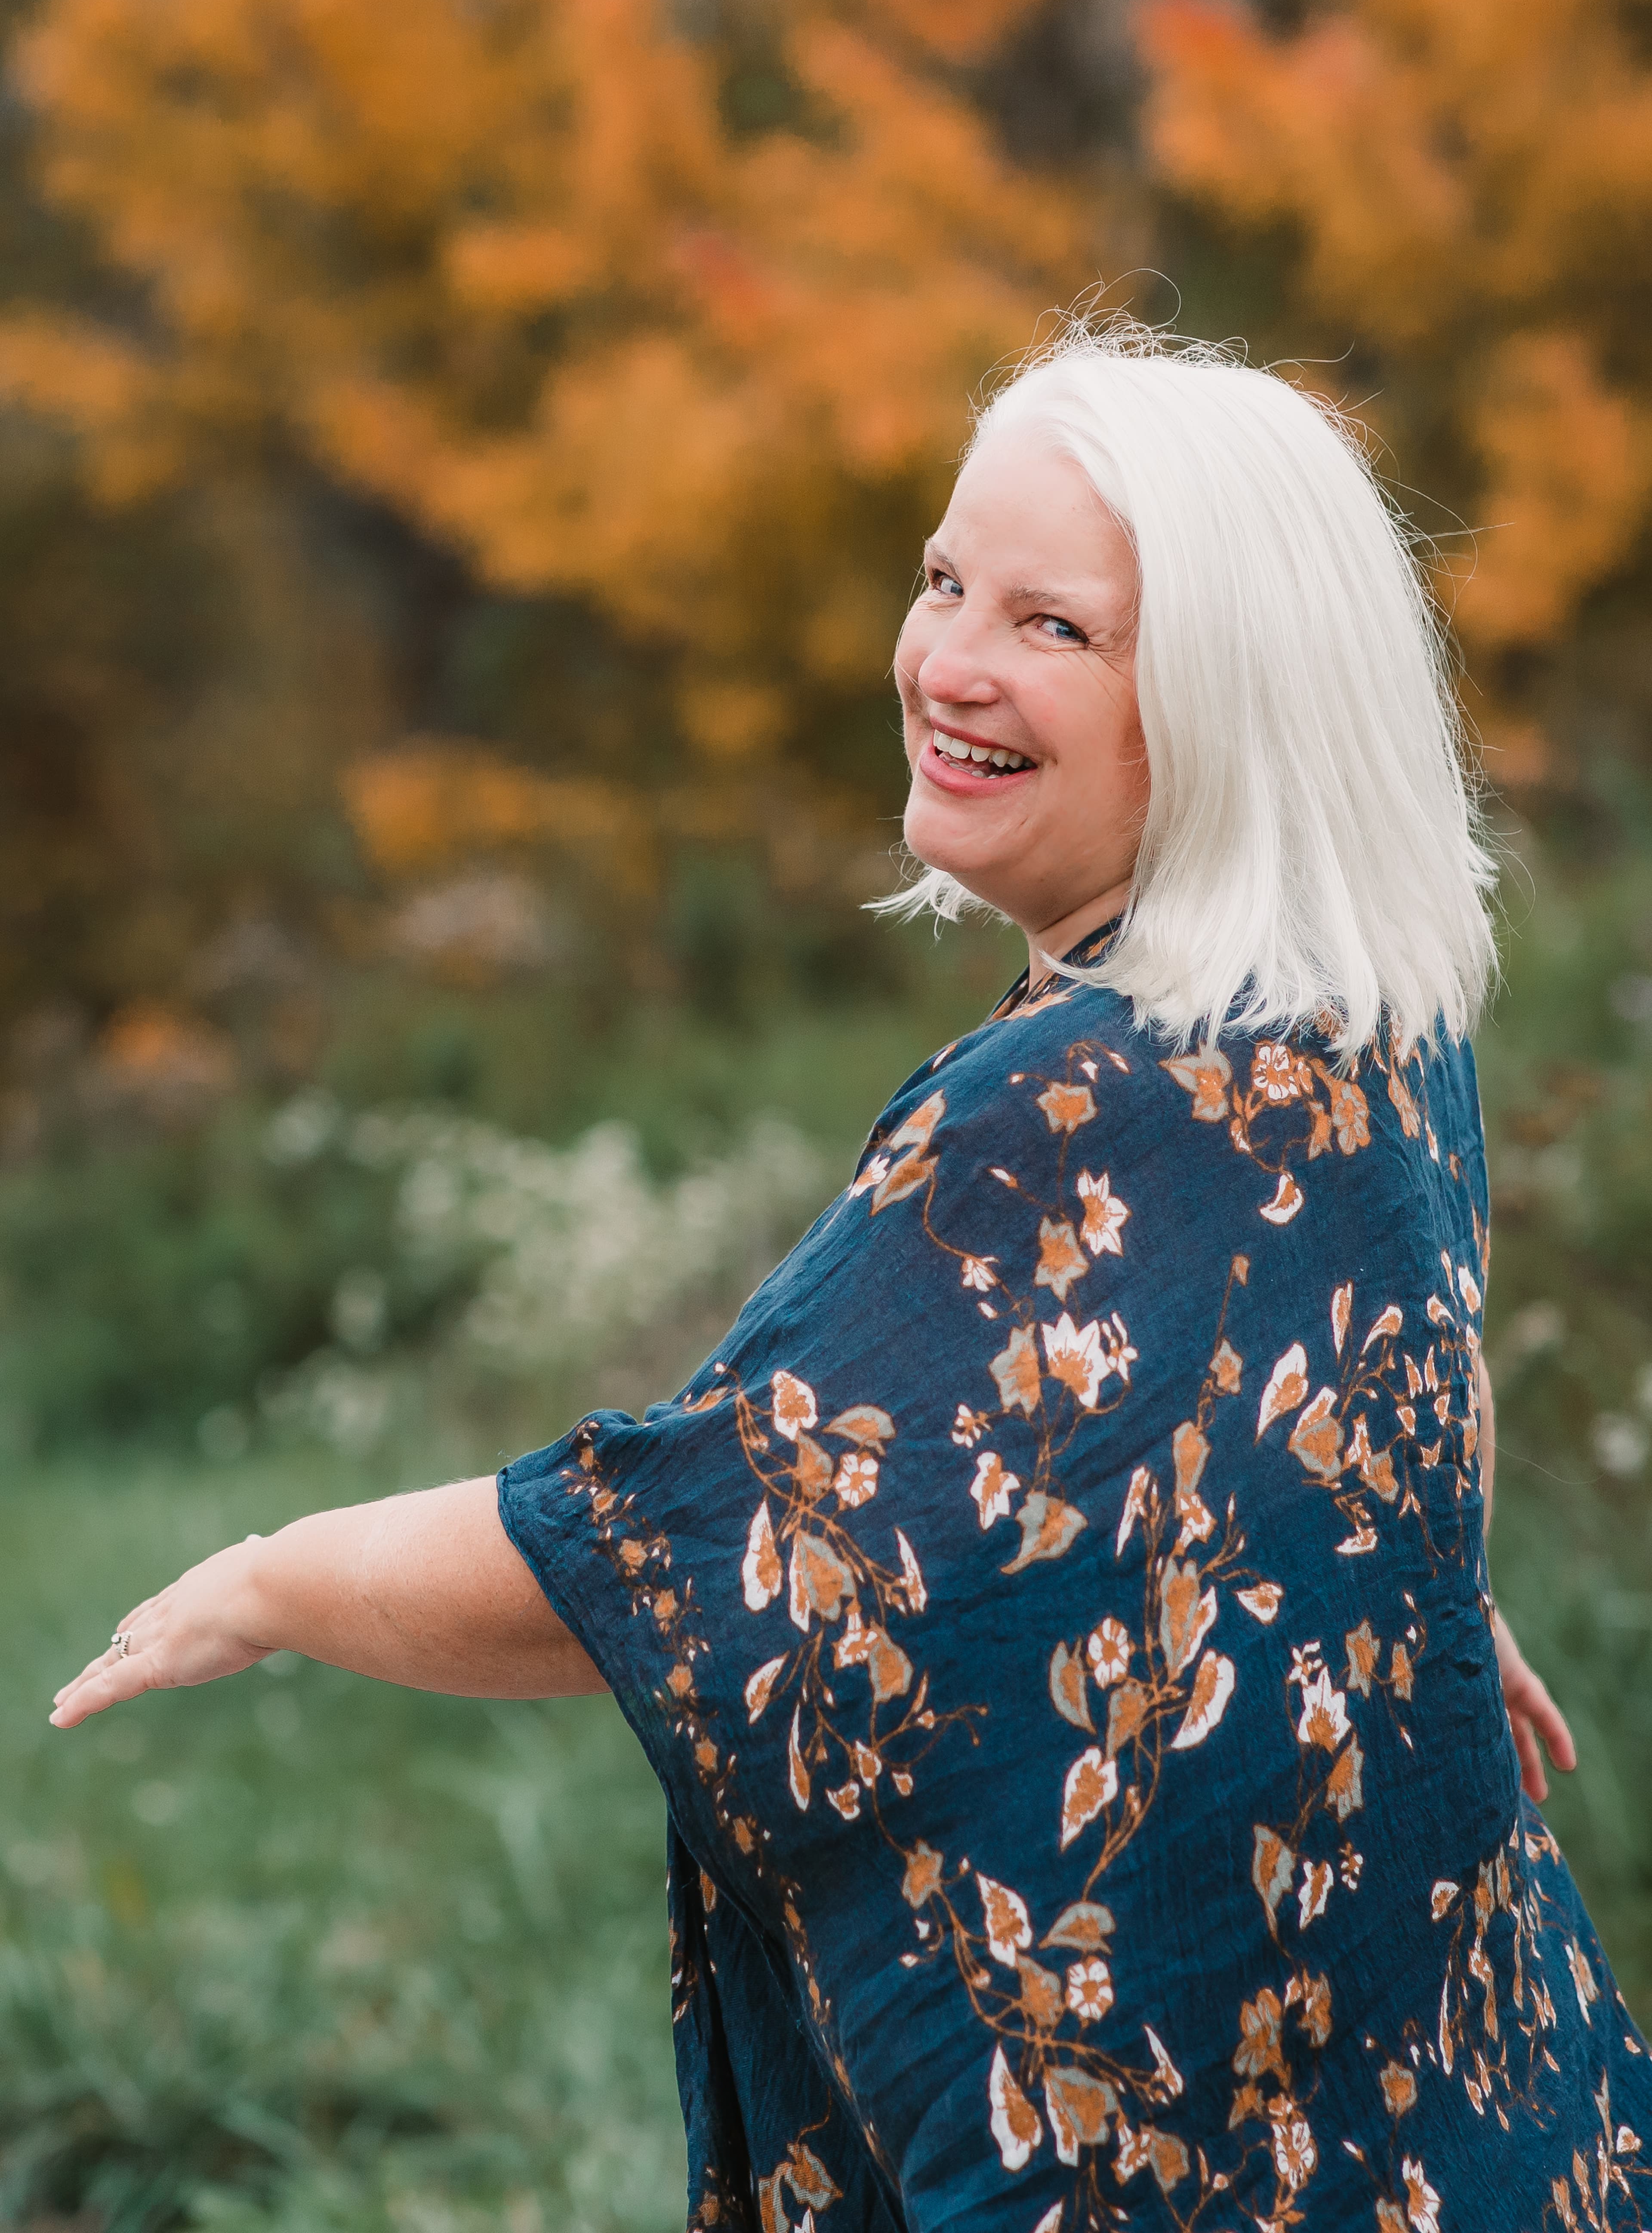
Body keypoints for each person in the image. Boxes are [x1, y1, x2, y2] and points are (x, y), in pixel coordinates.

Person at [52, 324, 1648, 2233]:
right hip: (1491, 2132)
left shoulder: (1076, 1106)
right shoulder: (1364, 1025)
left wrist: (274, 1573)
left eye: (1056, 626)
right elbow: (1317, 1387)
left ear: (1236, 693)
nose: (949, 663)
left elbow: (688, 1563)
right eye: (945, 580)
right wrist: (1400, 1581)